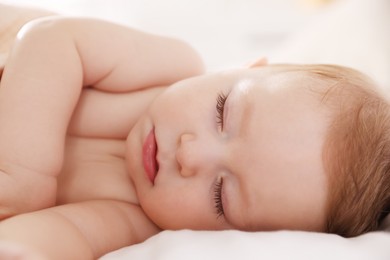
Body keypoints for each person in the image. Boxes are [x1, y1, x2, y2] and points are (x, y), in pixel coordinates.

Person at [0, 5, 389, 260]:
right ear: (247, 68)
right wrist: (23, 177)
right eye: (222, 113)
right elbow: (50, 38)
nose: (189, 155)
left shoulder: (135, 221)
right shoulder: (166, 67)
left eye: (221, 196)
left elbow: (57, 237)